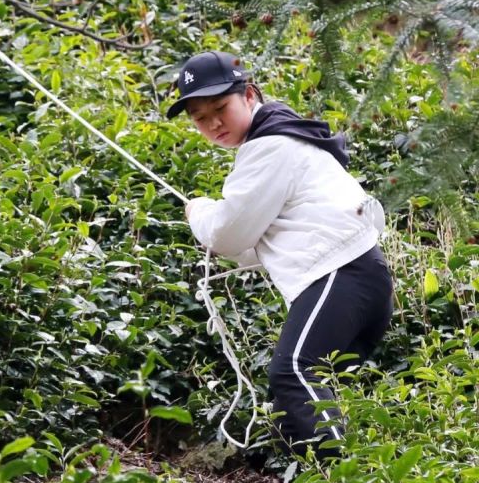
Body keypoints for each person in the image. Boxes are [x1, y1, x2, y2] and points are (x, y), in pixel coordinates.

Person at [167, 50, 394, 458]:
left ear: (249, 94)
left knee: (292, 373)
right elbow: (267, 240)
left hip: (341, 276)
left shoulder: (270, 146)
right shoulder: (283, 135)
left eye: (221, 107)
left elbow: (225, 235)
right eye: (200, 117)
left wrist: (198, 210)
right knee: (317, 392)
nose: (214, 123)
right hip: (360, 277)